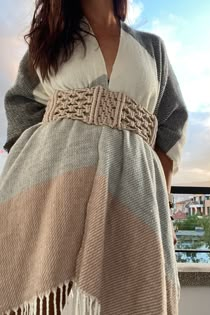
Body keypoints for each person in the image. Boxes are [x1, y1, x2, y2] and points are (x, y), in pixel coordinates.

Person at [0, 0, 188, 314]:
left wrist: (163, 204)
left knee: (130, 289)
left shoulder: (152, 48)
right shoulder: (49, 43)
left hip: (132, 188)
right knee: (44, 295)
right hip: (52, 185)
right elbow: (21, 109)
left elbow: (172, 124)